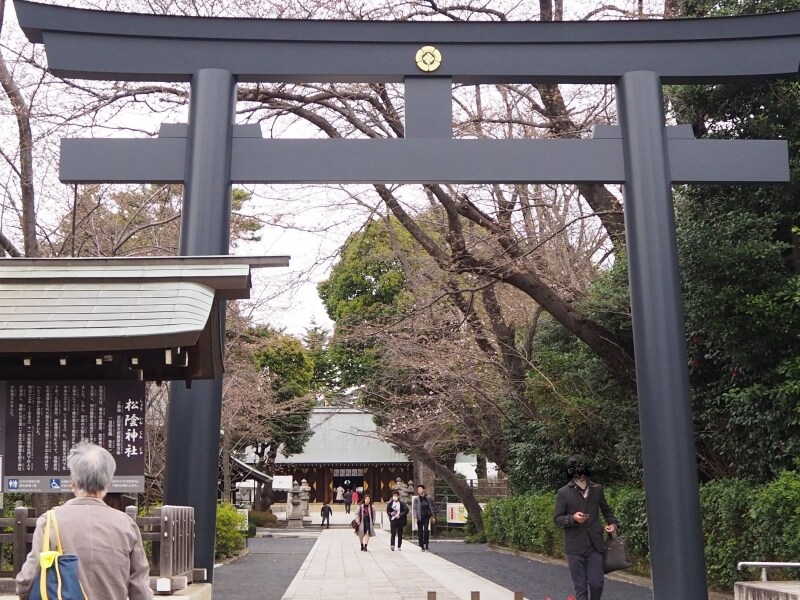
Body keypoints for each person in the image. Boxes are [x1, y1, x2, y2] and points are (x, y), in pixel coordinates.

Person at [16, 441, 153, 600]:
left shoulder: (50, 521)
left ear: (72, 483)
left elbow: (28, 579)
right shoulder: (127, 525)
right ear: (108, 483)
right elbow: (141, 590)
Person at [553, 455, 619, 600]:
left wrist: (613, 524)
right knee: (581, 588)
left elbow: (606, 510)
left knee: (597, 583)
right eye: (577, 471)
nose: (581, 475)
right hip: (574, 547)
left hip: (595, 545)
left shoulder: (597, 489)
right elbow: (557, 518)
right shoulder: (563, 492)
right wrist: (573, 518)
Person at [413, 484, 436, 552]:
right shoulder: (416, 499)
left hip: (426, 516)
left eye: (420, 489)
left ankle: (426, 544)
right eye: (418, 489)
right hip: (419, 517)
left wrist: (433, 516)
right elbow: (414, 509)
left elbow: (432, 507)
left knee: (426, 530)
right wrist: (415, 517)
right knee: (420, 532)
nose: (419, 490)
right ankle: (421, 546)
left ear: (424, 490)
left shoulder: (428, 497)